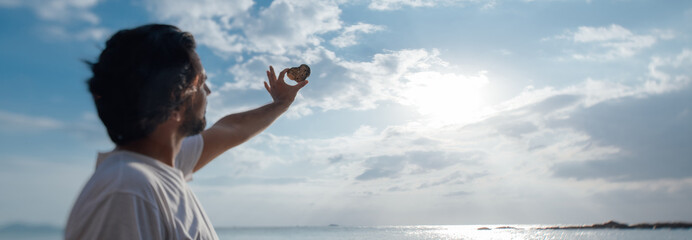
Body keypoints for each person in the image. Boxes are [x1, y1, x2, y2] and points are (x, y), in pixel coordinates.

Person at [64, 24, 308, 239]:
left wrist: (280, 104)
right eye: (201, 83)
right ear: (176, 97)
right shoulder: (127, 190)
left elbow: (232, 128)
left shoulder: (162, 167)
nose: (208, 92)